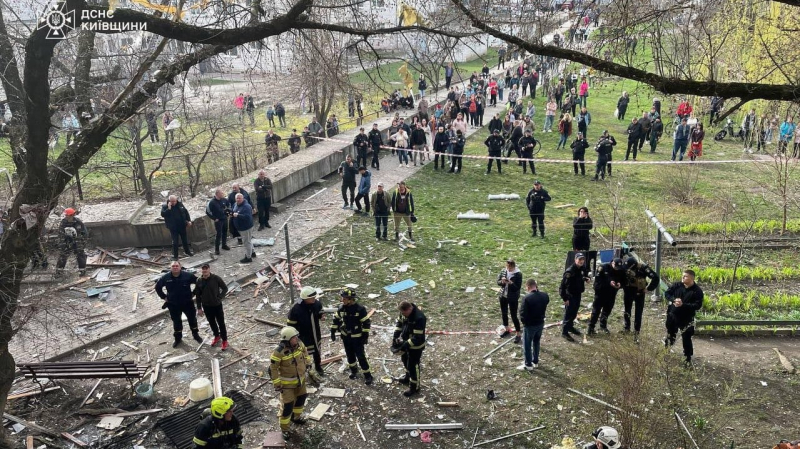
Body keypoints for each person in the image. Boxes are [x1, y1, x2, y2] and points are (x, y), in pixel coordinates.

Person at [270, 326, 311, 435]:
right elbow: (273, 368)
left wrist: (307, 362)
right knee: (288, 406)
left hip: (300, 381)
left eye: (296, 336)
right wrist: (277, 383)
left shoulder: (299, 344)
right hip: (287, 385)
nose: (296, 338)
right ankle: (285, 429)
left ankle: (296, 417)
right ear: (287, 339)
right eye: (294, 337)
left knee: (301, 399)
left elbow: (305, 352)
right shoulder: (278, 352)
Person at [331, 288, 373, 385]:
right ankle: (354, 371)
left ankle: (368, 375)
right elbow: (336, 320)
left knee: (361, 356)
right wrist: (332, 331)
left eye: (345, 299)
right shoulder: (341, 308)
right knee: (349, 355)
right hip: (346, 337)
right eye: (342, 298)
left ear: (351, 299)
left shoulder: (360, 309)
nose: (342, 300)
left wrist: (365, 336)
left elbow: (366, 323)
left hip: (357, 338)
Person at [156, 261, 201, 348]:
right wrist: (164, 297)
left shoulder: (188, 275)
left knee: (192, 320)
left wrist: (194, 293)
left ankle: (196, 335)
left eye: (177, 266)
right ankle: (178, 339)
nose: (175, 267)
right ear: (170, 268)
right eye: (173, 266)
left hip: (187, 303)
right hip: (173, 305)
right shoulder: (166, 277)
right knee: (177, 322)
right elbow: (158, 287)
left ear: (180, 267)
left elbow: (199, 282)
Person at [664, 269, 704, 366]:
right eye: (683, 275)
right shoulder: (677, 285)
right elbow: (667, 293)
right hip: (672, 315)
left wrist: (683, 305)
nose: (683, 277)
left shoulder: (697, 291)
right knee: (670, 333)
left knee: (686, 337)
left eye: (685, 276)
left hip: (686, 318)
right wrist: (674, 300)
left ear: (691, 279)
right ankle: (666, 350)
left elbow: (697, 305)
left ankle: (687, 357)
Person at [391, 301, 426, 397]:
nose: (403, 315)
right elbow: (399, 323)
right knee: (405, 360)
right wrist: (395, 336)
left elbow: (417, 337)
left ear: (410, 309)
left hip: (416, 346)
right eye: (402, 313)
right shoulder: (403, 313)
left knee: (413, 365)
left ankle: (415, 387)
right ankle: (408, 377)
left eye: (404, 313)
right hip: (406, 342)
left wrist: (404, 345)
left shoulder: (419, 318)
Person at [288, 286, 325, 375]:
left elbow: (320, 311)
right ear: (305, 298)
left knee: (317, 350)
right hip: (303, 334)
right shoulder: (296, 309)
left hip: (315, 332)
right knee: (303, 352)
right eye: (311, 298)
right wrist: (293, 336)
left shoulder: (316, 304)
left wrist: (322, 316)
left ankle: (318, 366)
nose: (314, 299)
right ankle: (305, 368)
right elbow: (290, 324)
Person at [195, 263, 230, 350]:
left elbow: (225, 288)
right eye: (203, 269)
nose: (205, 270)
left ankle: (225, 340)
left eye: (206, 268)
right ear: (201, 270)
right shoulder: (199, 281)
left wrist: (220, 298)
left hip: (217, 305)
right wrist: (199, 308)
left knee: (221, 323)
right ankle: (217, 336)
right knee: (211, 322)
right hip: (206, 306)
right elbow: (198, 295)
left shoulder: (216, 278)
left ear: (209, 269)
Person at [517, 279, 549, 370]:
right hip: (540, 323)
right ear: (536, 285)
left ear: (528, 287)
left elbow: (522, 314)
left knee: (527, 344)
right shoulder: (545, 296)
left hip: (530, 325)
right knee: (536, 342)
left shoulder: (527, 298)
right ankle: (535, 361)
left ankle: (528, 364)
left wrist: (525, 323)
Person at [622, 258, 659, 336]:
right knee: (627, 310)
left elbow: (655, 277)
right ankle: (626, 328)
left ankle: (636, 330)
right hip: (628, 291)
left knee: (638, 312)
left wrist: (649, 288)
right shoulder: (625, 266)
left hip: (640, 292)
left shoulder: (643, 268)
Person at [588, 258, 625, 335]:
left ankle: (603, 325)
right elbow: (597, 281)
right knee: (596, 311)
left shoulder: (620, 270)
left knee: (607, 310)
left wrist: (619, 284)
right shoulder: (603, 267)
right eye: (615, 267)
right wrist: (609, 282)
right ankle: (591, 327)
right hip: (601, 293)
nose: (616, 269)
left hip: (612, 293)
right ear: (613, 263)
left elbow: (623, 280)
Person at [559, 253, 590, 342]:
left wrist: (585, 279)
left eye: (582, 259)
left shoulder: (581, 269)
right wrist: (565, 298)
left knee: (574, 312)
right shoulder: (570, 271)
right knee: (569, 314)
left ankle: (570, 327)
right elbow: (562, 286)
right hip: (570, 295)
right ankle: (565, 332)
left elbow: (579, 278)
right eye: (579, 259)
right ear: (575, 260)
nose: (581, 261)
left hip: (578, 294)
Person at [55, 208, 88, 277]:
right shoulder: (63, 222)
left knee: (80, 254)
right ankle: (59, 271)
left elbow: (84, 233)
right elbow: (60, 234)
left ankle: (82, 270)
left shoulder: (78, 222)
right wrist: (62, 243)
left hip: (77, 241)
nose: (67, 217)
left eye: (68, 215)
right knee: (63, 255)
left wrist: (83, 242)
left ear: (72, 215)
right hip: (66, 241)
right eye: (66, 215)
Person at [496, 259, 523, 343]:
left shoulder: (518, 274)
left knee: (513, 315)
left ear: (513, 266)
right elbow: (498, 282)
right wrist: (503, 282)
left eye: (509, 267)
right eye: (506, 266)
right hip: (503, 295)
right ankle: (506, 328)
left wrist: (511, 283)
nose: (508, 269)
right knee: (504, 313)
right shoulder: (504, 271)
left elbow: (517, 287)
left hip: (513, 297)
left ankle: (518, 334)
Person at [161, 195, 193, 260]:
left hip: (182, 225)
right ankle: (175, 256)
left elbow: (186, 212)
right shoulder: (165, 206)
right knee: (175, 242)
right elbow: (163, 214)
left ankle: (187, 252)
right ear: (169, 201)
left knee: (184, 240)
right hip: (173, 227)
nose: (173, 203)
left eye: (174, 201)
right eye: (172, 201)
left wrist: (188, 221)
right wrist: (169, 209)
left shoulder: (180, 204)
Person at [206, 189, 231, 255]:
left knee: (225, 232)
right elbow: (207, 212)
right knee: (218, 234)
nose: (223, 194)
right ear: (217, 194)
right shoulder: (212, 202)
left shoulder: (224, 199)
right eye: (221, 193)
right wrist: (214, 218)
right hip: (218, 220)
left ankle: (224, 245)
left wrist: (228, 213)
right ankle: (216, 249)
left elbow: (229, 205)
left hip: (224, 218)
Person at [232, 193, 255, 263]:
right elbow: (233, 211)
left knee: (246, 242)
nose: (238, 200)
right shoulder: (235, 204)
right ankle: (253, 252)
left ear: (243, 198)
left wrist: (238, 215)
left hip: (246, 227)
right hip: (240, 228)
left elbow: (247, 217)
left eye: (239, 198)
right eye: (237, 198)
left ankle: (248, 257)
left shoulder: (247, 206)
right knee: (248, 241)